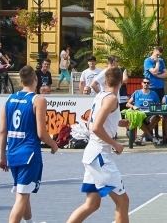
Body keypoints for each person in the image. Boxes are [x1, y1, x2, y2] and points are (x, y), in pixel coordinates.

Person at [65, 67, 131, 223]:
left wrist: (118, 122)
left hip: (91, 154)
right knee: (123, 202)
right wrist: (116, 144)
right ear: (121, 82)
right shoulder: (112, 99)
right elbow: (95, 127)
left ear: (106, 81)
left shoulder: (100, 96)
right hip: (100, 155)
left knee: (92, 204)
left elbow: (91, 122)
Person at [0, 65, 59, 223]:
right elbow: (41, 133)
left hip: (12, 153)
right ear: (36, 79)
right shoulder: (38, 100)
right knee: (21, 197)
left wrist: (1, 157)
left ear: (20, 80)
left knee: (24, 192)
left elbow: (2, 131)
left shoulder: (9, 99)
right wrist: (53, 144)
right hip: (29, 154)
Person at [125, 80, 160, 145]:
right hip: (139, 114)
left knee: (157, 118)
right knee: (137, 119)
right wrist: (133, 106)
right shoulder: (137, 93)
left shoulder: (154, 93)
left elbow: (158, 105)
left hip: (150, 114)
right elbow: (127, 104)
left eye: (148, 83)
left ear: (150, 84)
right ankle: (152, 138)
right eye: (144, 82)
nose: (146, 84)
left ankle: (141, 137)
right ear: (142, 83)